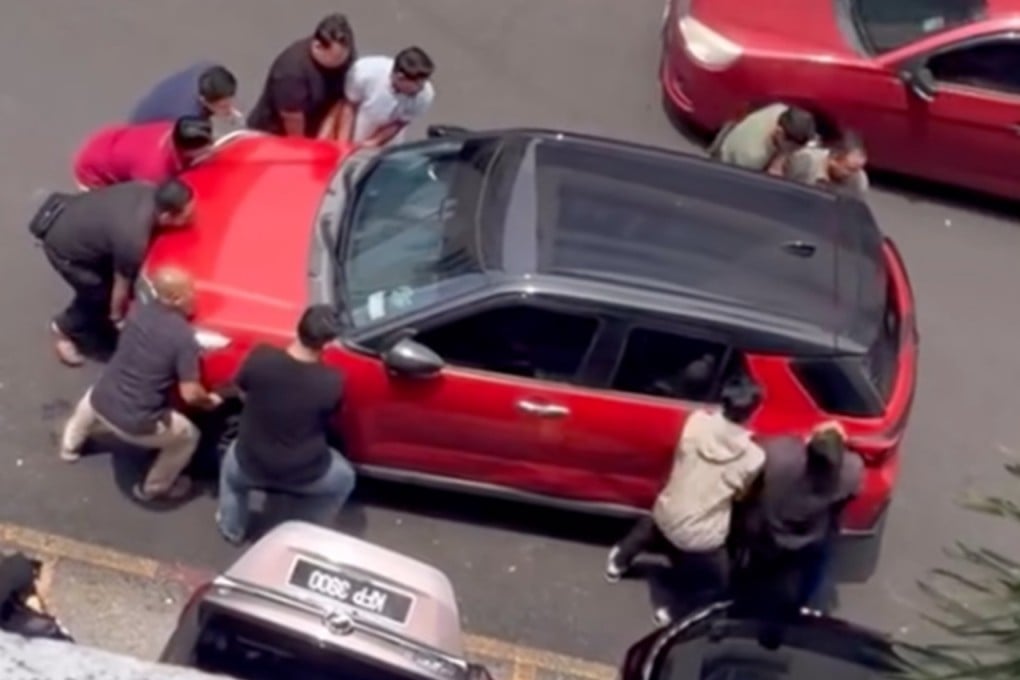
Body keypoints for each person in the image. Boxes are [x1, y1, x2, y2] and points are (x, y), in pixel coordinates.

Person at [605, 376, 766, 625]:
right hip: (700, 538)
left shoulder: (696, 422)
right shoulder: (754, 457)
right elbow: (741, 495)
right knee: (718, 584)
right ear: (753, 412)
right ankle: (671, 612)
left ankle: (618, 561)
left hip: (668, 510)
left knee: (652, 526)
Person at [58, 267, 223, 502]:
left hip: (101, 398)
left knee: (90, 401)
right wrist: (210, 401)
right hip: (137, 422)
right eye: (190, 293)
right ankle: (155, 487)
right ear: (176, 299)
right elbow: (190, 394)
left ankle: (70, 445)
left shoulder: (138, 311)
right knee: (188, 437)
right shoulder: (183, 337)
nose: (193, 297)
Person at [216, 304, 355, 544]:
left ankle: (232, 529)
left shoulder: (260, 357)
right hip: (305, 473)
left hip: (250, 462)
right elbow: (331, 415)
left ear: (298, 326)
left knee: (231, 475)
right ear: (328, 343)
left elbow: (240, 390)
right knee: (345, 478)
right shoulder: (332, 382)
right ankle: (307, 536)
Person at [33, 179, 194, 365]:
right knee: (97, 295)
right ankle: (64, 328)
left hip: (79, 218)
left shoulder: (143, 188)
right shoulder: (133, 239)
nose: (191, 220)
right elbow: (121, 285)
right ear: (166, 217)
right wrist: (117, 317)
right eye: (186, 217)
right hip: (67, 249)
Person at [734, 422, 863, 616]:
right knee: (817, 563)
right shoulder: (851, 472)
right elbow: (844, 503)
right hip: (811, 539)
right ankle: (803, 604)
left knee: (755, 571)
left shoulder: (778, 456)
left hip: (768, 532)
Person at [247, 14, 356, 139]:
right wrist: (306, 149)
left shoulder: (344, 55)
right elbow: (293, 121)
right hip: (274, 134)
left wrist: (327, 138)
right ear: (318, 46)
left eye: (345, 56)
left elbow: (340, 101)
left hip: (315, 125)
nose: (341, 62)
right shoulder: (291, 72)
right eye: (336, 58)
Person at [72, 115, 214, 190]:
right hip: (92, 169)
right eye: (205, 147)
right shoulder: (154, 174)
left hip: (109, 142)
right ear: (187, 150)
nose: (210, 148)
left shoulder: (172, 129)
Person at [334, 47, 436, 148]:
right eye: (418, 84)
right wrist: (343, 144)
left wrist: (372, 143)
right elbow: (349, 106)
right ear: (400, 77)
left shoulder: (425, 95)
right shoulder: (364, 72)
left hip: (388, 143)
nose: (421, 88)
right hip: (357, 129)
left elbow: (400, 122)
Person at [129, 63, 244, 135]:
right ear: (203, 100)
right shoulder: (188, 117)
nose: (228, 109)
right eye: (222, 107)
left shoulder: (209, 72)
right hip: (145, 128)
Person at [711, 104, 816, 175]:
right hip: (728, 167)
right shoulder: (753, 157)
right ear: (779, 132)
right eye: (794, 146)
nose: (797, 150)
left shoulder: (779, 109)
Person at [785, 130, 870, 200]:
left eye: (858, 169)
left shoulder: (859, 181)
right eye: (849, 169)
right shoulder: (804, 163)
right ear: (832, 159)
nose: (854, 174)